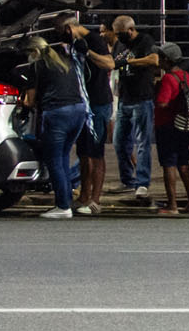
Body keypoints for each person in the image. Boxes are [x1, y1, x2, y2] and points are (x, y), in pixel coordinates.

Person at [14, 24, 92, 221]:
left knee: (55, 160)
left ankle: (63, 205)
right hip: (78, 111)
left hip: (57, 113)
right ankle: (66, 202)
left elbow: (30, 101)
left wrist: (22, 101)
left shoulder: (37, 66)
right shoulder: (65, 61)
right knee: (63, 158)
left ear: (34, 51)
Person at [111, 15, 161, 204]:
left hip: (142, 98)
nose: (119, 37)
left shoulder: (145, 40)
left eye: (121, 34)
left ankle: (142, 182)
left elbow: (153, 59)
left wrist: (129, 63)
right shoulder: (119, 44)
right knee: (119, 142)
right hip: (125, 98)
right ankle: (127, 180)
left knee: (142, 143)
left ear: (131, 30)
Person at [152, 43, 189, 215]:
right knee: (183, 163)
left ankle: (172, 205)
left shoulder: (167, 79)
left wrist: (156, 91)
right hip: (184, 125)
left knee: (169, 164)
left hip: (167, 125)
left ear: (166, 59)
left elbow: (163, 102)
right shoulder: (185, 75)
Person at [74, 18, 116, 215]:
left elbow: (110, 63)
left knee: (95, 153)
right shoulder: (73, 43)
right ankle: (84, 195)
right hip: (84, 103)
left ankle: (95, 200)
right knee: (83, 153)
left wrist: (88, 53)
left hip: (99, 103)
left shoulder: (95, 41)